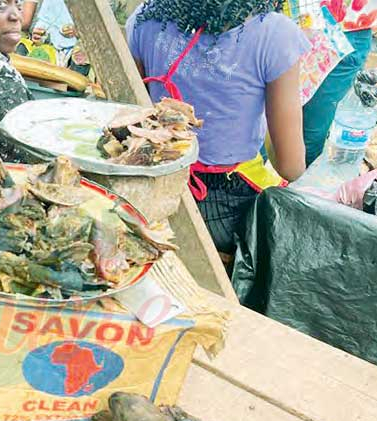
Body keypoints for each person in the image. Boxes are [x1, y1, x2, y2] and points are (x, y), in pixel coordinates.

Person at [126, 0, 309, 256]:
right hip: (222, 213)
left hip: (146, 192)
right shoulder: (276, 35)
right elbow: (291, 167)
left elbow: (133, 114)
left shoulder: (144, 19)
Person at [301, 0, 377, 165]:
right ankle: (293, 182)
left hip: (307, 19)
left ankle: (260, 183)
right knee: (312, 125)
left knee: (268, 111)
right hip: (346, 28)